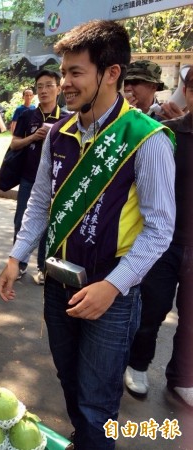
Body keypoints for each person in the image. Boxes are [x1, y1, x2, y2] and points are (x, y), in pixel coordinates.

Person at [0, 20, 175, 450]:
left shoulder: (145, 140)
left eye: (76, 72)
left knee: (98, 399)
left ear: (111, 73)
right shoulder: (59, 134)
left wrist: (112, 287)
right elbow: (40, 202)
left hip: (109, 295)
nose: (65, 83)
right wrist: (16, 256)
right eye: (64, 73)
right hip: (59, 285)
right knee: (69, 379)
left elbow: (160, 229)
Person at [124, 66, 193, 407]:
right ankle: (137, 365)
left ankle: (182, 378)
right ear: (188, 91)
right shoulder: (166, 135)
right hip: (164, 242)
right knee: (152, 310)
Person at [9, 70, 70, 285]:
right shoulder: (28, 116)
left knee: (49, 224)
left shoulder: (66, 118)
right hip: (28, 178)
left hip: (56, 181)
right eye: (40, 86)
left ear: (58, 88)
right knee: (22, 221)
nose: (43, 90)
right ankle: (19, 264)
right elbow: (14, 143)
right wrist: (33, 137)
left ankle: (44, 267)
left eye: (48, 85)